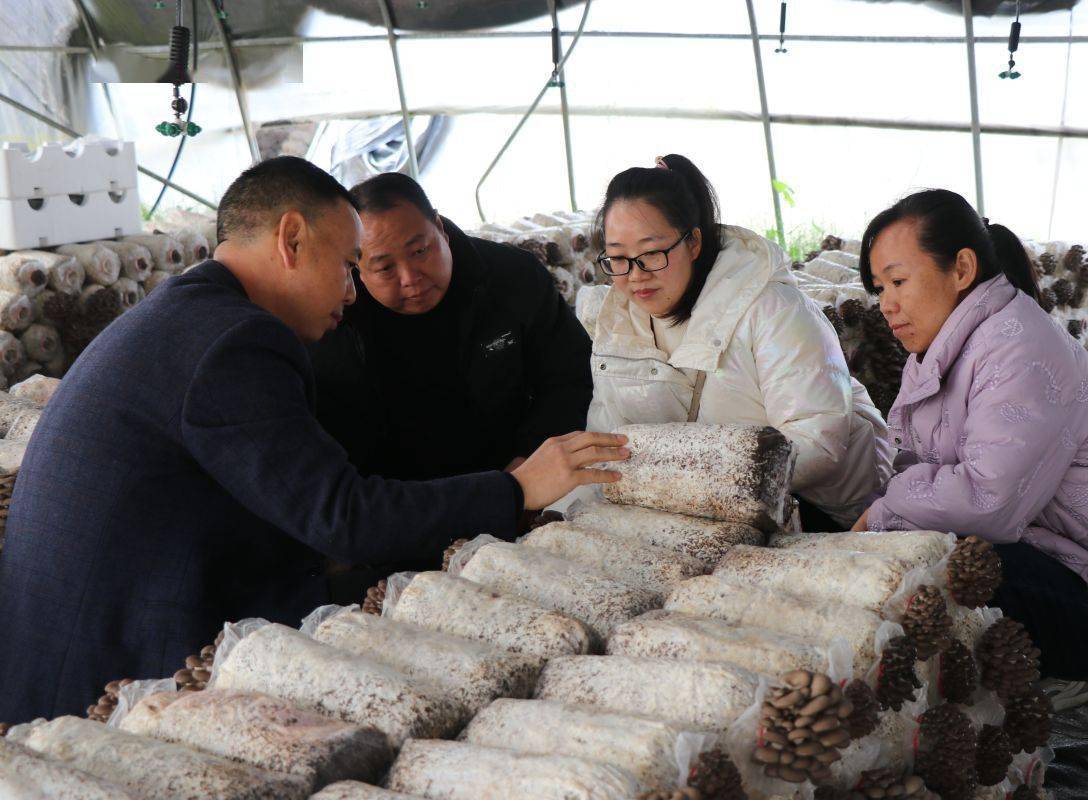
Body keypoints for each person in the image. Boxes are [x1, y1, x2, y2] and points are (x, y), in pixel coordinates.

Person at [0, 156, 626, 724]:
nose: (351, 294)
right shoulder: (235, 341)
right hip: (114, 664)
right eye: (352, 266)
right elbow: (342, 516)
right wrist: (515, 488)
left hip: (77, 632)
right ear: (292, 239)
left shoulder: (194, 311)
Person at [852, 188, 1088, 708]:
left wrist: (885, 511)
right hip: (1055, 558)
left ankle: (1064, 667)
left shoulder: (1018, 348)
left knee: (945, 565)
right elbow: (918, 468)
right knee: (907, 550)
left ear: (961, 269)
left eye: (898, 281)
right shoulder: (943, 349)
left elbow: (988, 500)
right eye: (878, 288)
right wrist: (890, 512)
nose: (886, 303)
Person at [575, 154, 894, 530]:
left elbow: (819, 442)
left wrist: (691, 482)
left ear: (693, 242)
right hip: (697, 512)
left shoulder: (774, 310)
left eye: (651, 254)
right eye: (618, 258)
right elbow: (607, 440)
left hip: (820, 511)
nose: (636, 275)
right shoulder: (617, 324)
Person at [309, 173, 592, 490]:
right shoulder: (332, 317)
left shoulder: (513, 277)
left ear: (439, 228)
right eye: (385, 267)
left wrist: (528, 461)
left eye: (420, 251)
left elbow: (569, 376)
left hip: (515, 473)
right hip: (397, 497)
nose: (410, 278)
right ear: (356, 265)